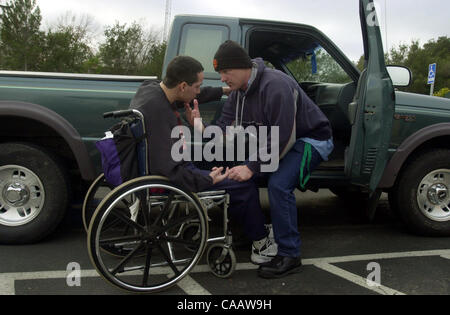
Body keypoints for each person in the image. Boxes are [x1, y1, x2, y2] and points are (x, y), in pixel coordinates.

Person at [186, 41, 334, 278]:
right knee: (236, 175)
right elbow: (225, 129)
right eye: (220, 73)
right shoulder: (238, 93)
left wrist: (252, 166)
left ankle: (289, 254)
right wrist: (202, 128)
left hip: (309, 140)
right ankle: (254, 234)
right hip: (275, 142)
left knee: (278, 185)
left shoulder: (275, 85)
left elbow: (285, 135)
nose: (222, 79)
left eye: (226, 72)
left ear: (242, 66)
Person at [129, 56, 275, 263]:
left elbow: (197, 94)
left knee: (226, 166)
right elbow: (170, 170)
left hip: (162, 164)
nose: (199, 91)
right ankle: (261, 242)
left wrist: (225, 90)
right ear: (182, 86)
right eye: (197, 86)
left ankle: (246, 226)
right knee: (242, 183)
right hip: (168, 176)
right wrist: (208, 179)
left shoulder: (151, 89)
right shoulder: (161, 115)